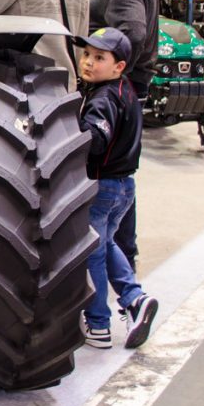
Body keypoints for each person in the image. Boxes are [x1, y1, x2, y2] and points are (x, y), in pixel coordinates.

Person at [74, 27, 158, 350]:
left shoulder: (104, 97)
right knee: (106, 243)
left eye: (99, 58)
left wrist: (74, 131)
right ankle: (135, 299)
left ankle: (98, 324)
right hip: (125, 185)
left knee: (93, 251)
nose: (88, 63)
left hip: (103, 185)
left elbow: (95, 139)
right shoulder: (125, 90)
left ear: (119, 66)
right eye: (86, 55)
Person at [89, 0, 160, 273]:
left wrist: (103, 74)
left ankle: (119, 254)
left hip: (123, 89)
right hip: (130, 85)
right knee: (122, 170)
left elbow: (131, 33)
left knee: (113, 171)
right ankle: (123, 253)